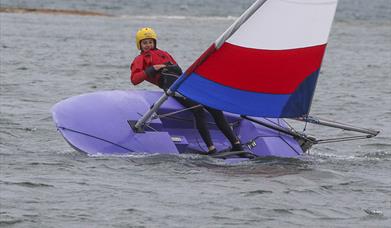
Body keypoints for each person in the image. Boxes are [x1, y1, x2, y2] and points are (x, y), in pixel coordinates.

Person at [130, 27, 243, 154]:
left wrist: (169, 67)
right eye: (145, 42)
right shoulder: (139, 60)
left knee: (215, 108)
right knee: (198, 109)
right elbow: (134, 79)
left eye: (150, 42)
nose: (148, 45)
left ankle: (236, 144)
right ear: (139, 44)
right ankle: (211, 148)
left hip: (183, 82)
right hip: (170, 84)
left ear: (154, 42)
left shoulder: (164, 53)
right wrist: (154, 68)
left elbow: (178, 69)